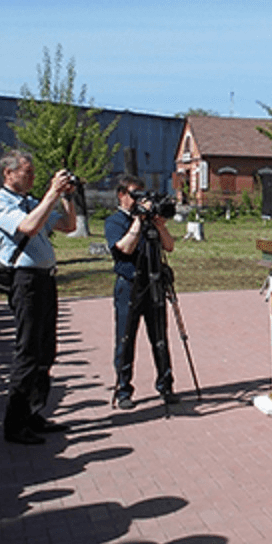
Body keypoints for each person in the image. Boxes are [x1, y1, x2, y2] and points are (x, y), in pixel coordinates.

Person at [0, 151, 76, 445]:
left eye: (34, 172)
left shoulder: (33, 202)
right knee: (28, 351)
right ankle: (15, 422)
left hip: (45, 280)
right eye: (27, 172)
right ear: (8, 174)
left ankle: (35, 412)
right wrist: (52, 193)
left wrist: (68, 197)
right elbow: (28, 227)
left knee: (45, 350)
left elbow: (68, 226)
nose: (32, 177)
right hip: (25, 282)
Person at [105, 175, 177, 410]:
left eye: (142, 194)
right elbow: (125, 248)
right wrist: (137, 221)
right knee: (126, 339)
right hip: (129, 285)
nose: (140, 200)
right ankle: (124, 389)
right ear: (122, 195)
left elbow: (169, 246)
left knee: (160, 338)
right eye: (135, 194)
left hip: (153, 282)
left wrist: (160, 226)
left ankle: (166, 385)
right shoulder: (115, 221)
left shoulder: (150, 222)